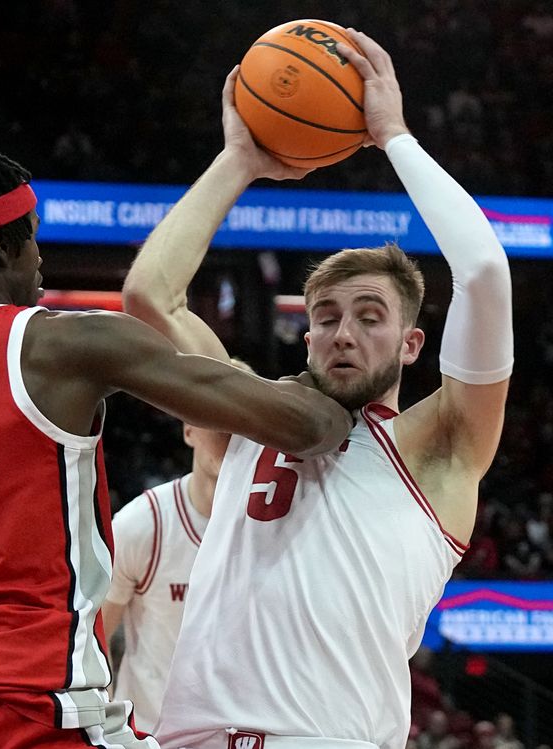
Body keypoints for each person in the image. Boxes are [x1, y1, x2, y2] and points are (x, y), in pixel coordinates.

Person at [0, 149, 353, 749]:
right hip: (28, 702)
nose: (40, 257)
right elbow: (301, 427)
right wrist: (344, 393)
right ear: (4, 247)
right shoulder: (64, 344)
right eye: (33, 237)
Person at [122, 29, 513, 749]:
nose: (341, 332)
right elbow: (151, 295)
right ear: (304, 336)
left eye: (370, 317)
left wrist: (394, 136)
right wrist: (237, 162)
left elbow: (486, 273)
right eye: (325, 316)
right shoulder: (245, 412)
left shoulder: (439, 446)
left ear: (411, 342)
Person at [102, 383, 247, 733]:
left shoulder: (272, 528)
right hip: (153, 734)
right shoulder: (143, 525)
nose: (230, 438)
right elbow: (94, 643)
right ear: (189, 429)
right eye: (218, 423)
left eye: (242, 425)